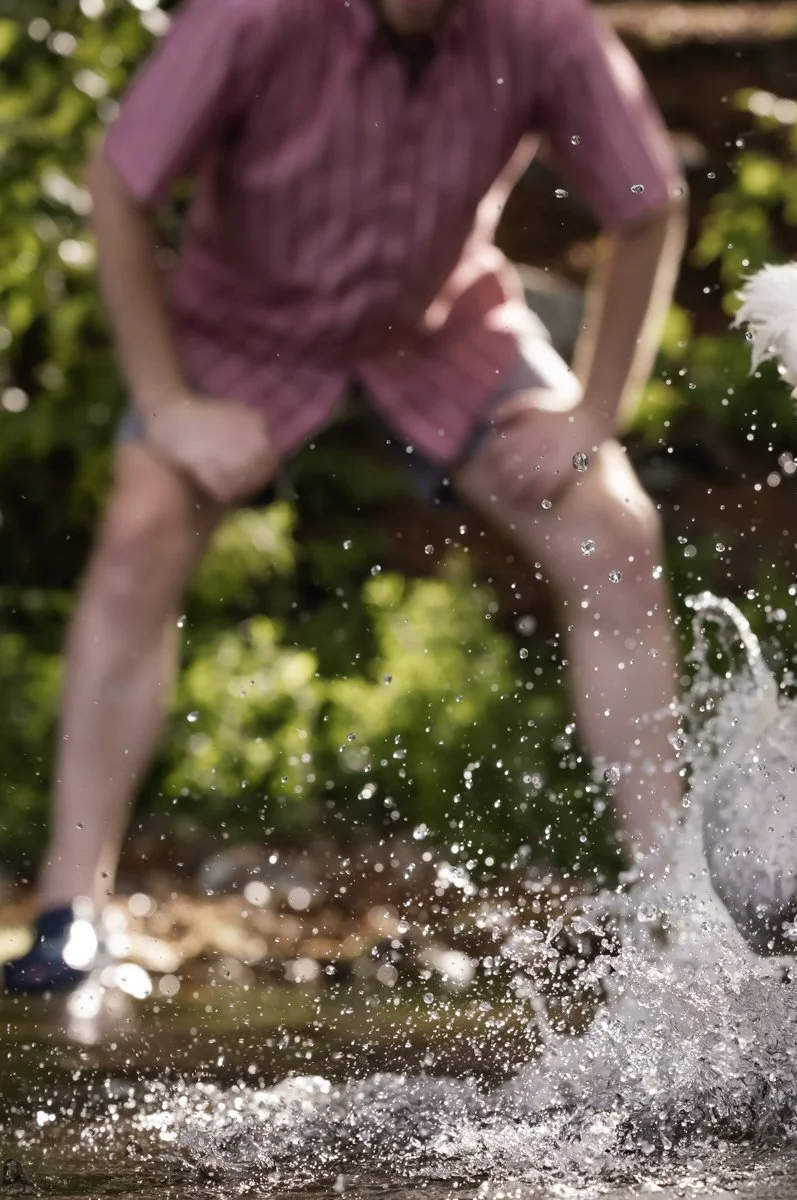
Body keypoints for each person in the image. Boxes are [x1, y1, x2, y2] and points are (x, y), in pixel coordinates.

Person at [4, 0, 688, 994]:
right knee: (141, 530)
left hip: (441, 323)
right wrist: (167, 403)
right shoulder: (254, 17)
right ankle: (74, 909)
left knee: (615, 531)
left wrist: (593, 412)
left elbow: (648, 201)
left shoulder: (540, 25)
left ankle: (673, 902)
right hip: (239, 330)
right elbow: (120, 182)